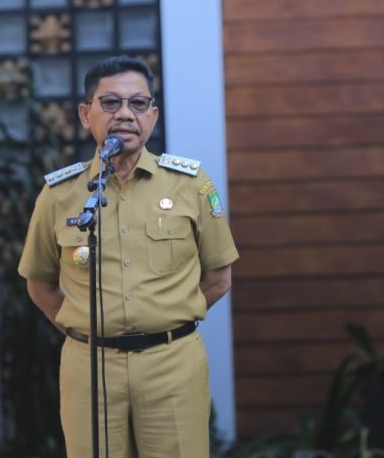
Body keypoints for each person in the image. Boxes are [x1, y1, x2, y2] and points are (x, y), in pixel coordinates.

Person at [17, 55, 239, 457]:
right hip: (90, 364)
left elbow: (218, 278)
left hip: (171, 362)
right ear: (85, 114)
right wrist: (87, 329)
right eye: (110, 103)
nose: (125, 114)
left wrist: (168, 314)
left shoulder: (191, 185)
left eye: (138, 103)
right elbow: (40, 284)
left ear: (153, 115)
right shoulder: (59, 194)